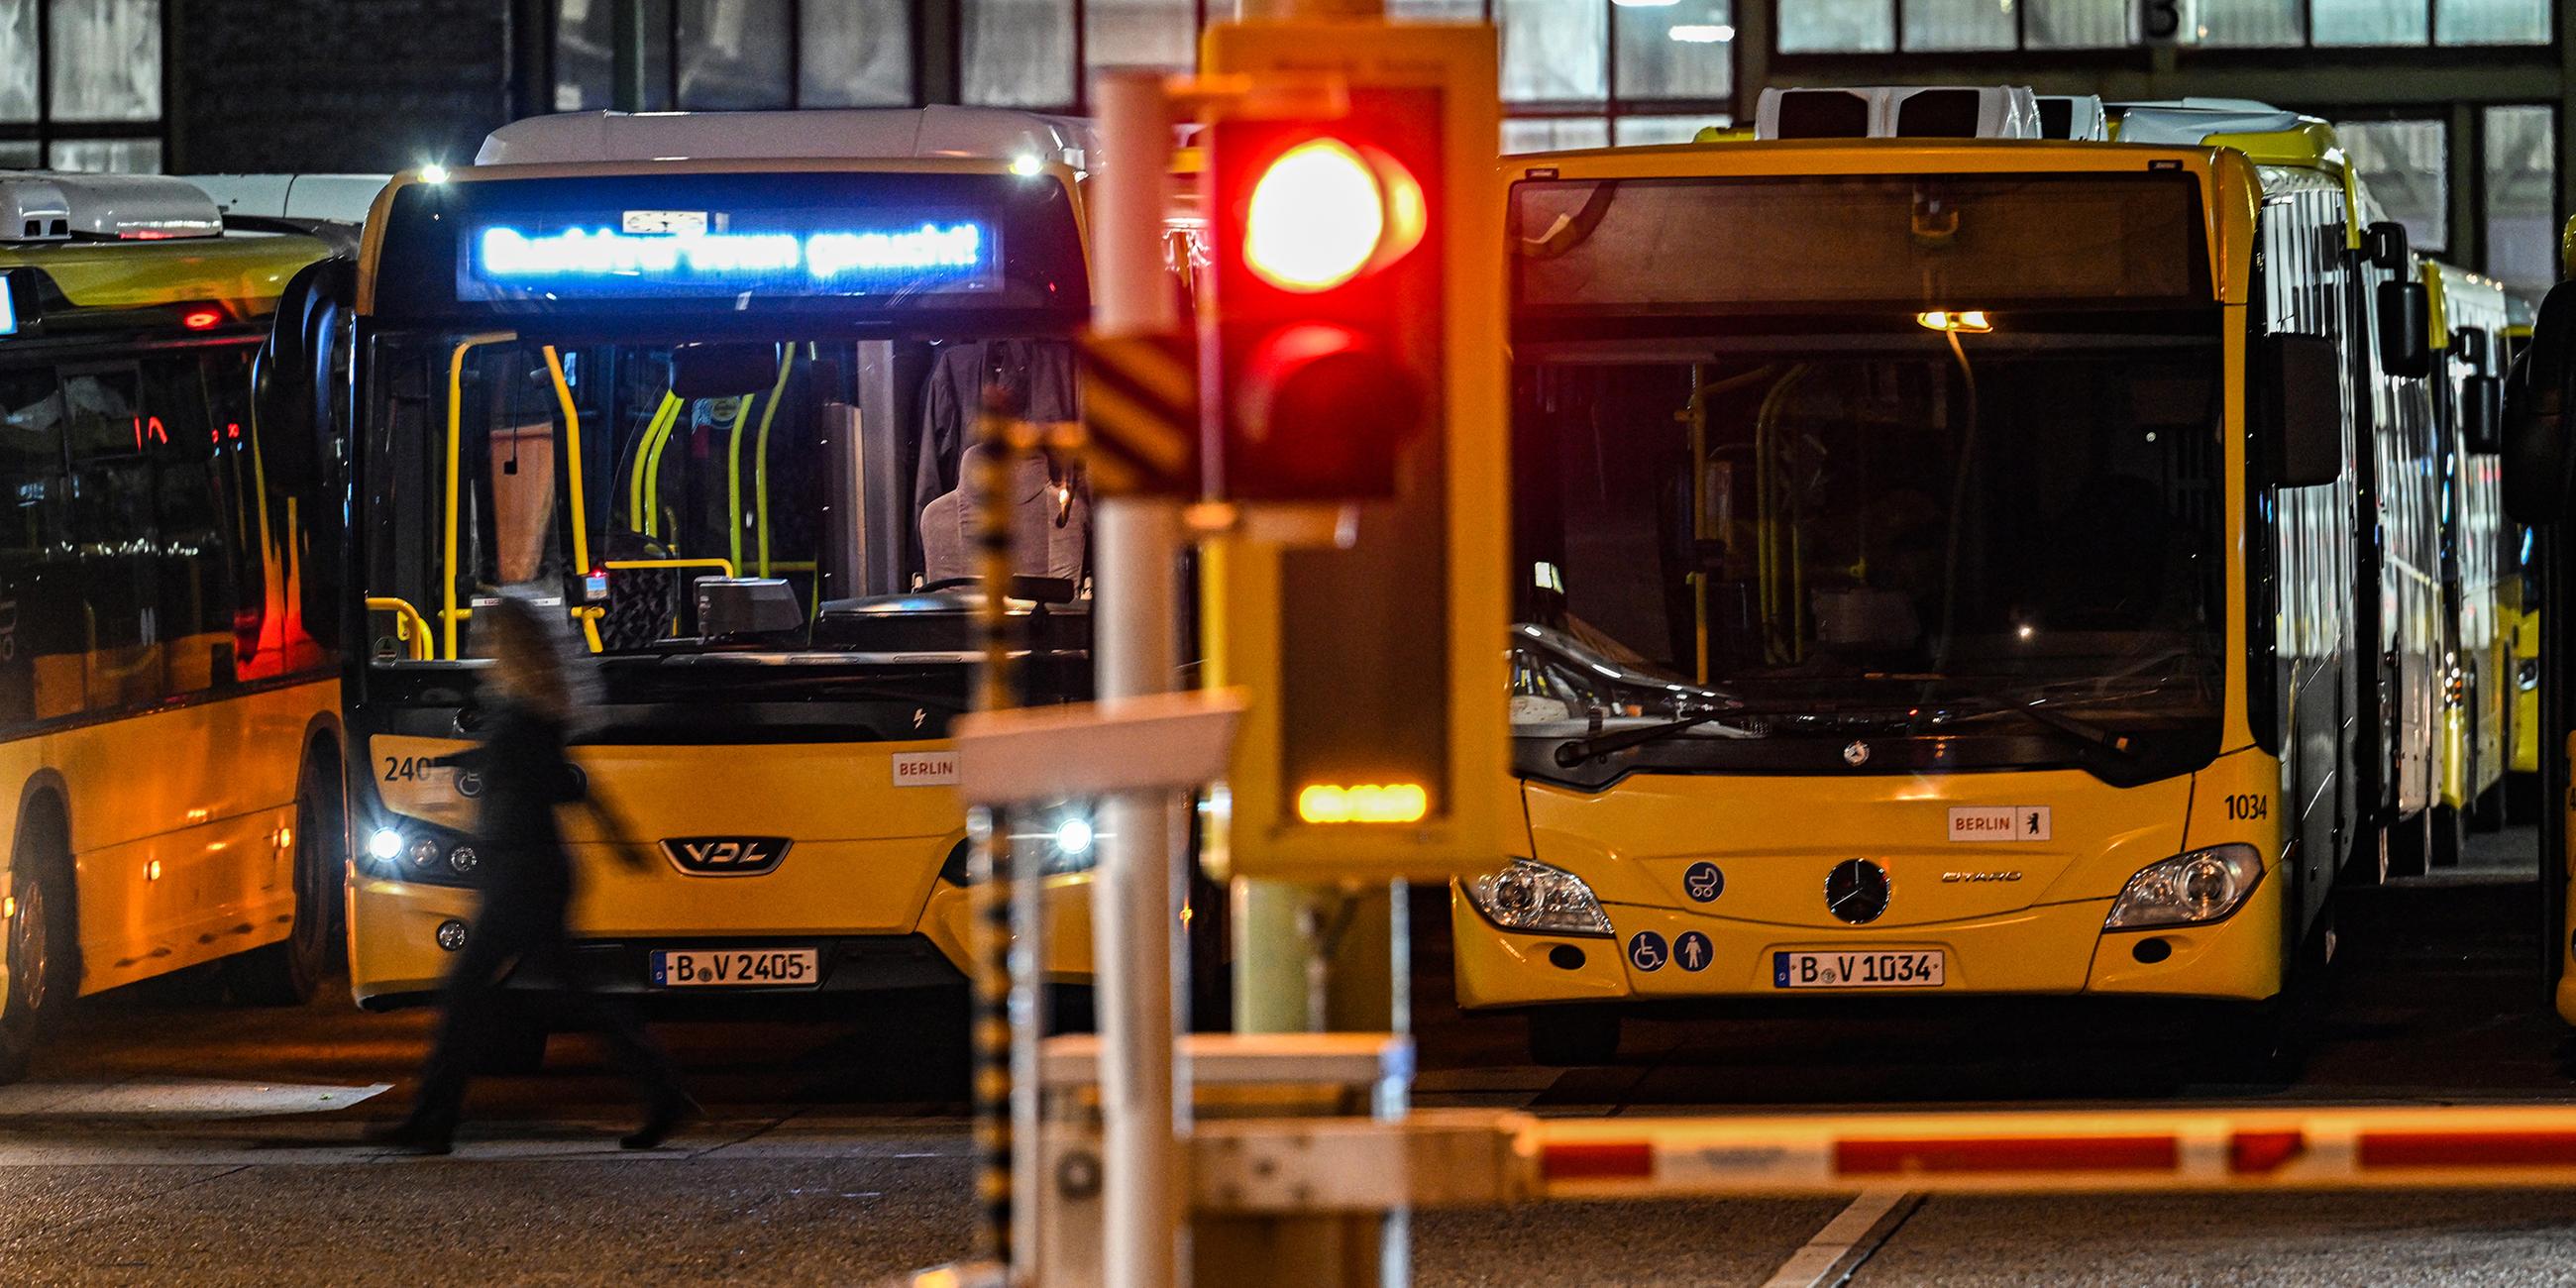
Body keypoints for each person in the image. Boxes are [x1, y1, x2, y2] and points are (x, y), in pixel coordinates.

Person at [367, 590, 694, 1155]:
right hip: (529, 869)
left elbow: (558, 780)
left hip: (526, 872)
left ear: (510, 645)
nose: (482, 644)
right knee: (580, 996)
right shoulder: (527, 706)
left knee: (467, 992)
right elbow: (559, 777)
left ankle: (433, 1121)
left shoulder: (525, 712)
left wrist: (614, 834)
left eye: (492, 636)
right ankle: (665, 1096)